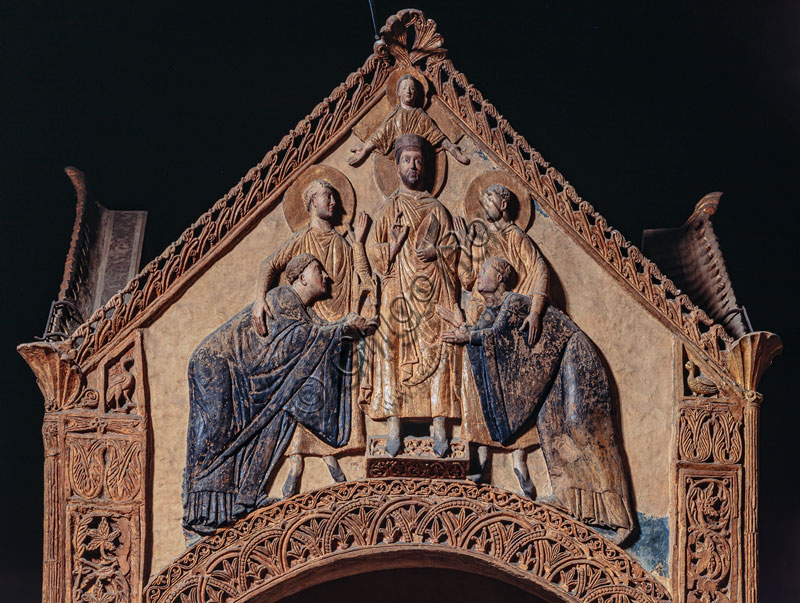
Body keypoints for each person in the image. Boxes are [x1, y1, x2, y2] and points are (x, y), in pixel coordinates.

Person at [441, 257, 634, 543]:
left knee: (581, 427)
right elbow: (487, 340)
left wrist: (468, 338)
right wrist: (464, 331)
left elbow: (498, 337)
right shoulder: (489, 312)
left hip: (573, 355)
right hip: (552, 371)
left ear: (500, 278)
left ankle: (620, 517)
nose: (478, 277)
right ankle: (571, 501)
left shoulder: (515, 303)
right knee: (551, 430)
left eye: (484, 272)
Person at [183, 254, 375, 535]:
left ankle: (246, 497)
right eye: (319, 270)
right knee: (215, 436)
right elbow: (297, 342)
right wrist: (344, 327)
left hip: (249, 380)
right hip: (217, 364)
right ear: (302, 278)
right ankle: (201, 511)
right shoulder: (282, 297)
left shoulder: (305, 312)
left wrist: (347, 327)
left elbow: (315, 339)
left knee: (285, 410)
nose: (327, 277)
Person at [251, 179, 375, 495]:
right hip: (310, 328)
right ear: (311, 204)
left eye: (335, 197)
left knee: (333, 400)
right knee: (303, 394)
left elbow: (363, 277)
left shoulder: (343, 241)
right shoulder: (302, 239)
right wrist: (258, 299)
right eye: (326, 197)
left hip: (342, 330)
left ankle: (331, 457)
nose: (333, 202)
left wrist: (359, 242)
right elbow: (269, 264)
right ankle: (295, 462)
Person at [365, 134, 462, 457]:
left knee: (440, 351)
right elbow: (372, 252)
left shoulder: (436, 208)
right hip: (398, 295)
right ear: (396, 165)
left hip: (433, 291)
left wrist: (439, 251)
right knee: (392, 353)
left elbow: (452, 250)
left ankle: (440, 426)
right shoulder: (390, 207)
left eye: (419, 160)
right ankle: (394, 425)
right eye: (407, 160)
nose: (414, 166)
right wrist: (393, 245)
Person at [453, 183, 550, 486]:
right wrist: (466, 247)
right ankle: (481, 455)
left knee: (513, 391)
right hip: (481, 320)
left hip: (511, 327)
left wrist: (534, 311)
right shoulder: (481, 238)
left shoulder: (516, 237)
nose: (485, 206)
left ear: (504, 204)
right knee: (476, 385)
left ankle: (519, 459)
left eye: (490, 200)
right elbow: (468, 278)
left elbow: (541, 269)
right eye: (483, 200)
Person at [348, 74, 469, 166]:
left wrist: (451, 148)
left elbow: (436, 134)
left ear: (416, 93)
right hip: (400, 162)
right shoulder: (394, 117)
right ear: (398, 93)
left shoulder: (421, 116)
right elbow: (378, 136)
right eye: (405, 88)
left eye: (412, 88)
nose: (408, 91)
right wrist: (364, 150)